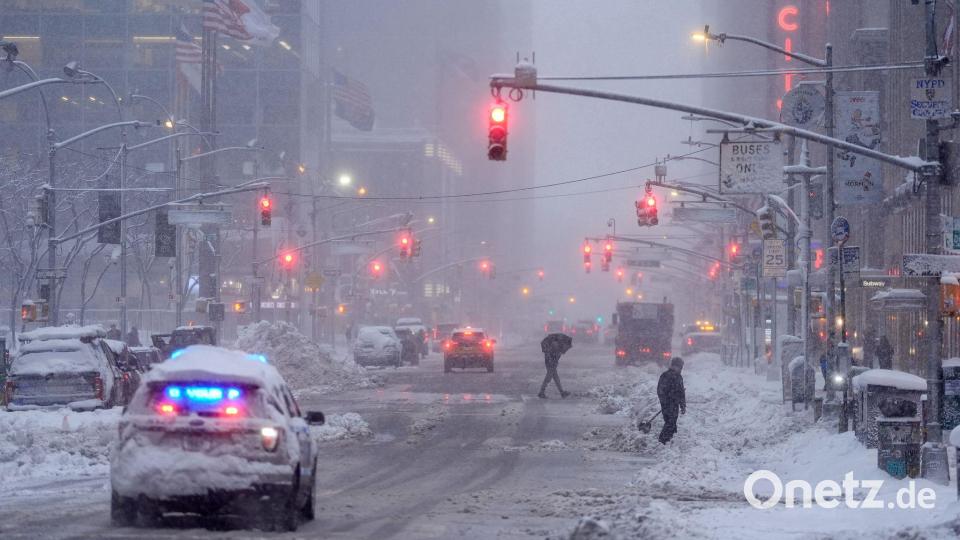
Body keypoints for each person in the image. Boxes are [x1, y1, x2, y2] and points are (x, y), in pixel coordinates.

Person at [657, 357, 686, 444]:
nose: (680, 369)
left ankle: (669, 439)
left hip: (674, 404)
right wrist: (666, 400)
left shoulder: (679, 377)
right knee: (670, 421)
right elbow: (660, 390)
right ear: (673, 366)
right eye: (679, 367)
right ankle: (663, 440)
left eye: (681, 368)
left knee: (672, 421)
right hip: (667, 404)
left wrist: (683, 405)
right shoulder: (665, 376)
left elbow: (681, 393)